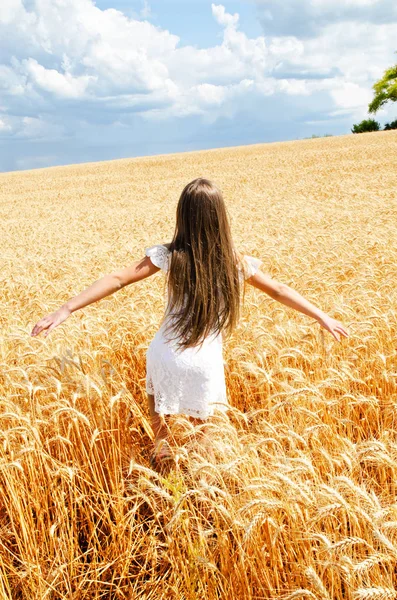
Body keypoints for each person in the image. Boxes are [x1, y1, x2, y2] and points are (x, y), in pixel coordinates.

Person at [31, 177, 349, 468]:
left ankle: (168, 490)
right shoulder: (233, 262)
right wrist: (322, 315)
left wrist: (67, 308)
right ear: (219, 217)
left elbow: (117, 279)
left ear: (182, 216)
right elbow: (279, 290)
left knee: (164, 440)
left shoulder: (169, 255)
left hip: (164, 355)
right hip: (204, 363)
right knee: (206, 445)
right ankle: (203, 504)